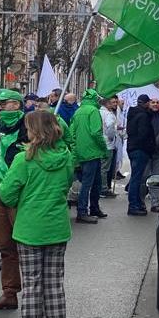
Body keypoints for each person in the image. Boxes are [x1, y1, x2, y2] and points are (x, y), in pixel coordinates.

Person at [0, 111, 74, 318]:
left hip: (30, 229)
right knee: (54, 288)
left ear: (34, 131)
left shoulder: (23, 159)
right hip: (56, 228)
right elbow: (66, 186)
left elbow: (7, 194)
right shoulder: (66, 158)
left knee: (32, 288)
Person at [0, 90, 33, 311]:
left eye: (4, 104)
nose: (0, 108)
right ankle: (9, 292)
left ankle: (33, 296)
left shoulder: (30, 128)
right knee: (5, 247)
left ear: (16, 105)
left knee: (27, 249)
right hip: (3, 194)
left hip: (23, 197)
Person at [70, 89, 109, 222]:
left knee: (94, 182)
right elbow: (96, 133)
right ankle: (83, 211)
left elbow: (72, 134)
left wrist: (75, 152)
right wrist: (104, 148)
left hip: (82, 152)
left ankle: (94, 208)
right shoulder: (93, 111)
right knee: (88, 184)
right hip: (92, 152)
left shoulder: (78, 111)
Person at [125, 94, 155, 216]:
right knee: (136, 179)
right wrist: (150, 148)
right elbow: (144, 135)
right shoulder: (143, 116)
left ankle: (136, 203)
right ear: (146, 103)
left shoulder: (133, 114)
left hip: (132, 148)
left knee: (135, 177)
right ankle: (133, 205)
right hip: (140, 149)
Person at [100, 96, 119, 198]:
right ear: (107, 104)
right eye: (113, 102)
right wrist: (113, 139)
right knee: (105, 168)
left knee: (101, 167)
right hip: (108, 144)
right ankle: (103, 188)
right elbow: (110, 130)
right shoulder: (109, 114)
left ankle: (101, 188)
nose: (115, 104)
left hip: (100, 143)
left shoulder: (99, 112)